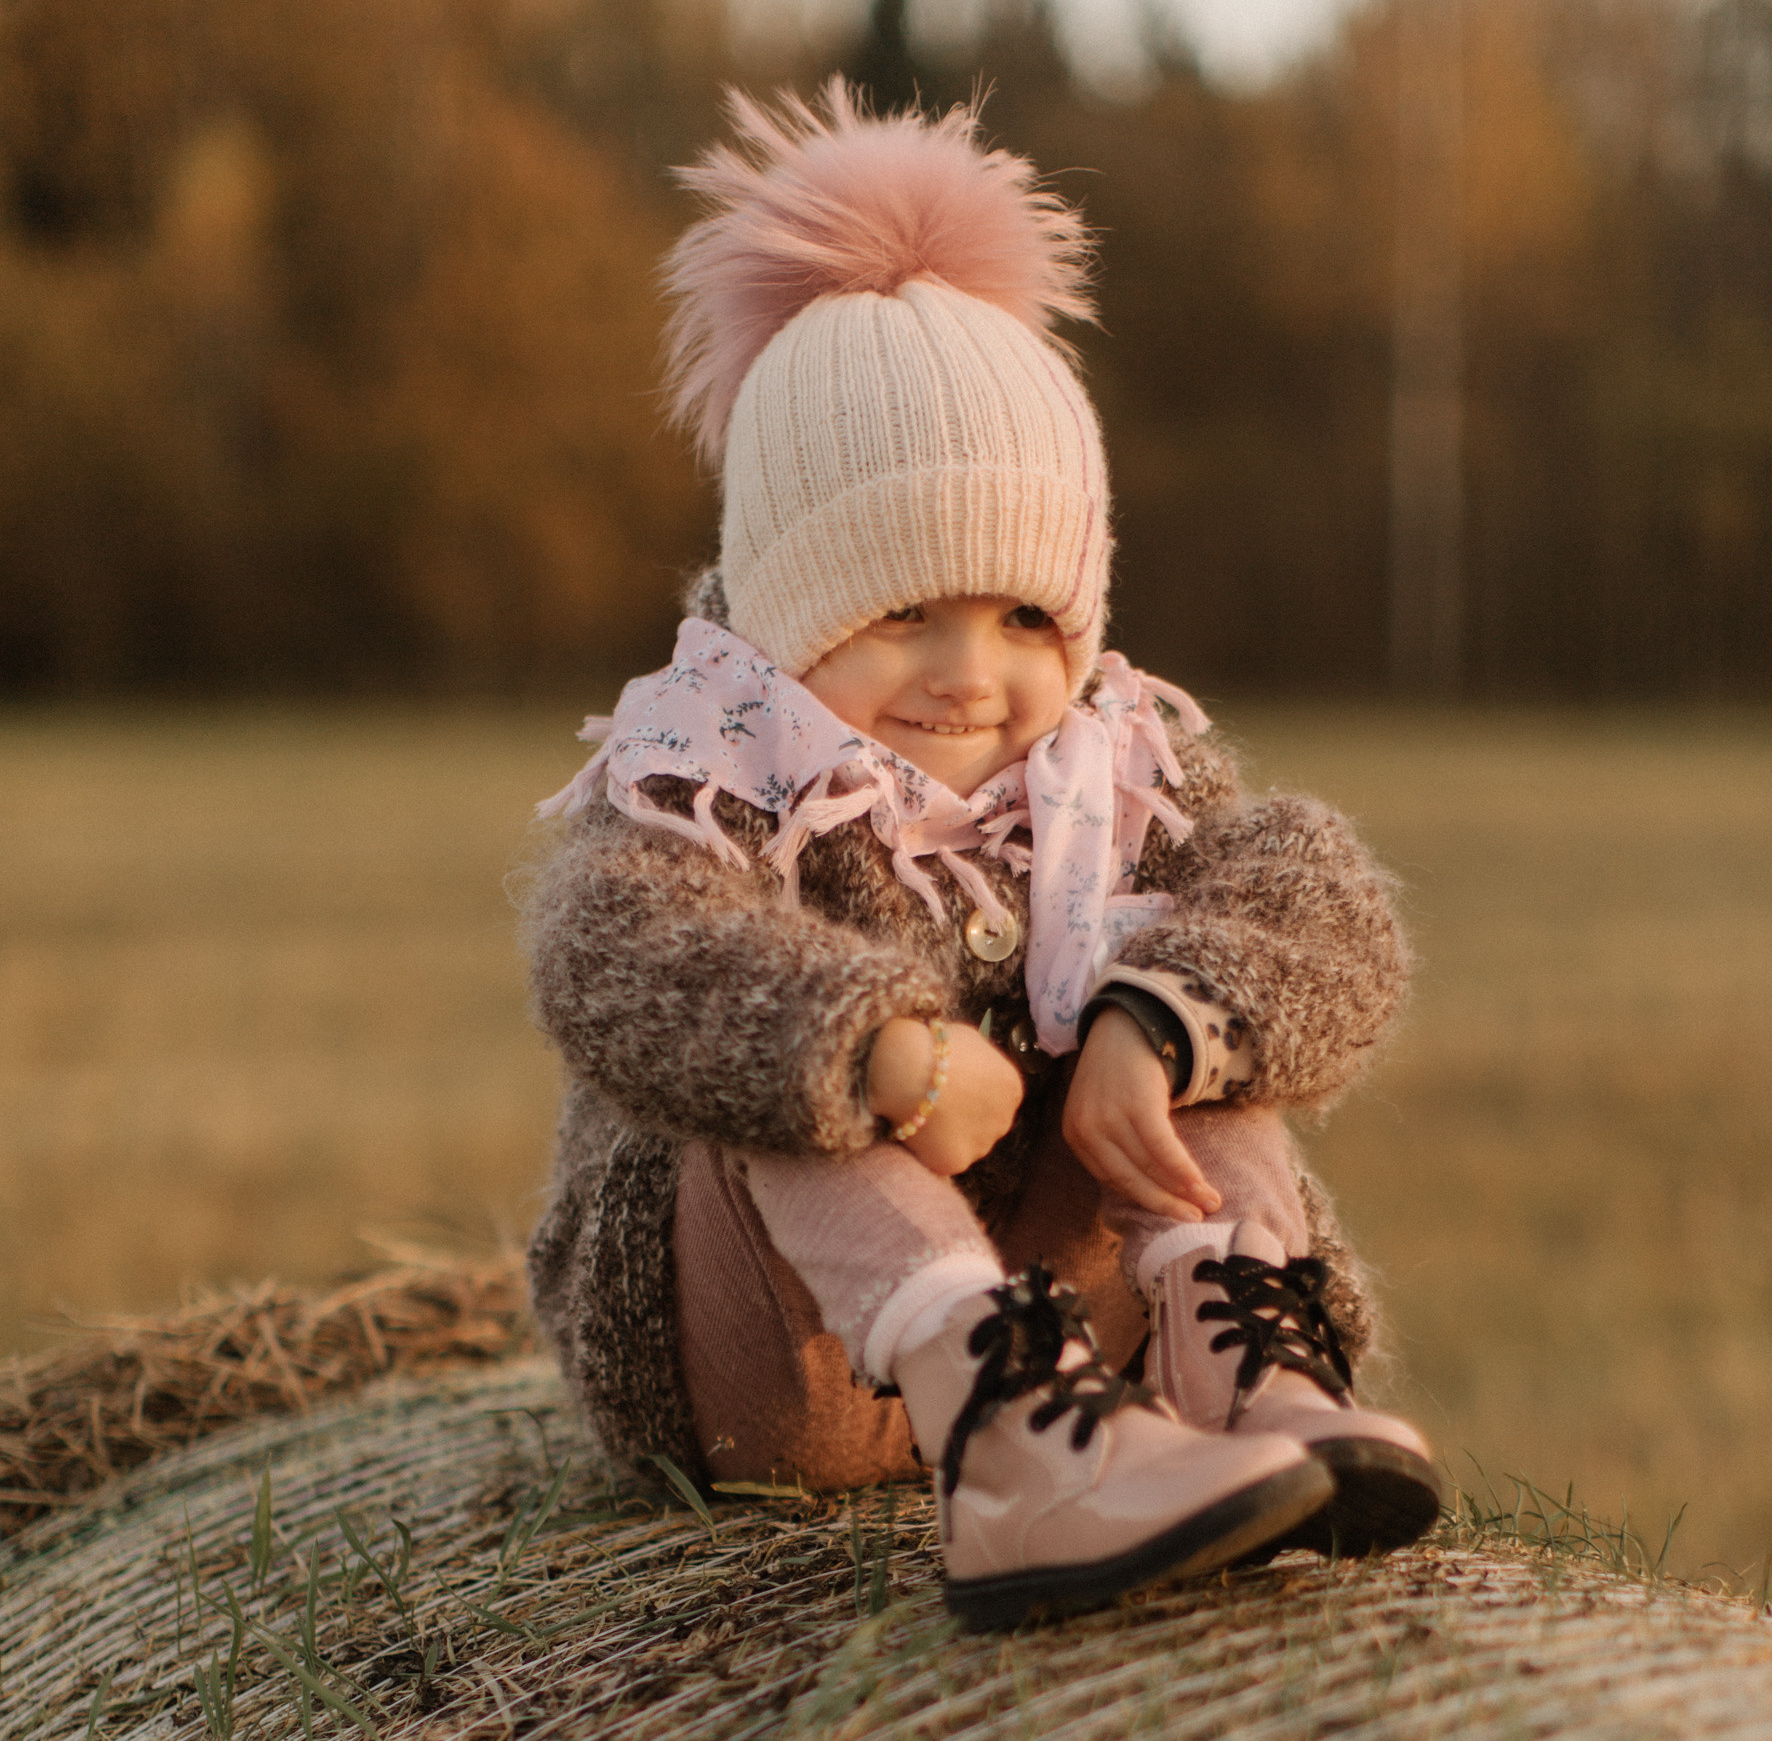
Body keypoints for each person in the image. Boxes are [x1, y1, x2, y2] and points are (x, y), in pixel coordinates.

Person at [526, 86, 1441, 1629]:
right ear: (793, 610)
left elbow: (1324, 910)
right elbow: (611, 947)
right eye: (905, 615)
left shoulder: (1114, 764)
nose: (973, 672)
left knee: (1211, 1001)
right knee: (781, 1057)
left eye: (1029, 619)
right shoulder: (714, 767)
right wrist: (881, 1055)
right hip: (772, 1365)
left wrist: (1157, 1024)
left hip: (1085, 1334)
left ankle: (1247, 1383)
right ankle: (1016, 1464)